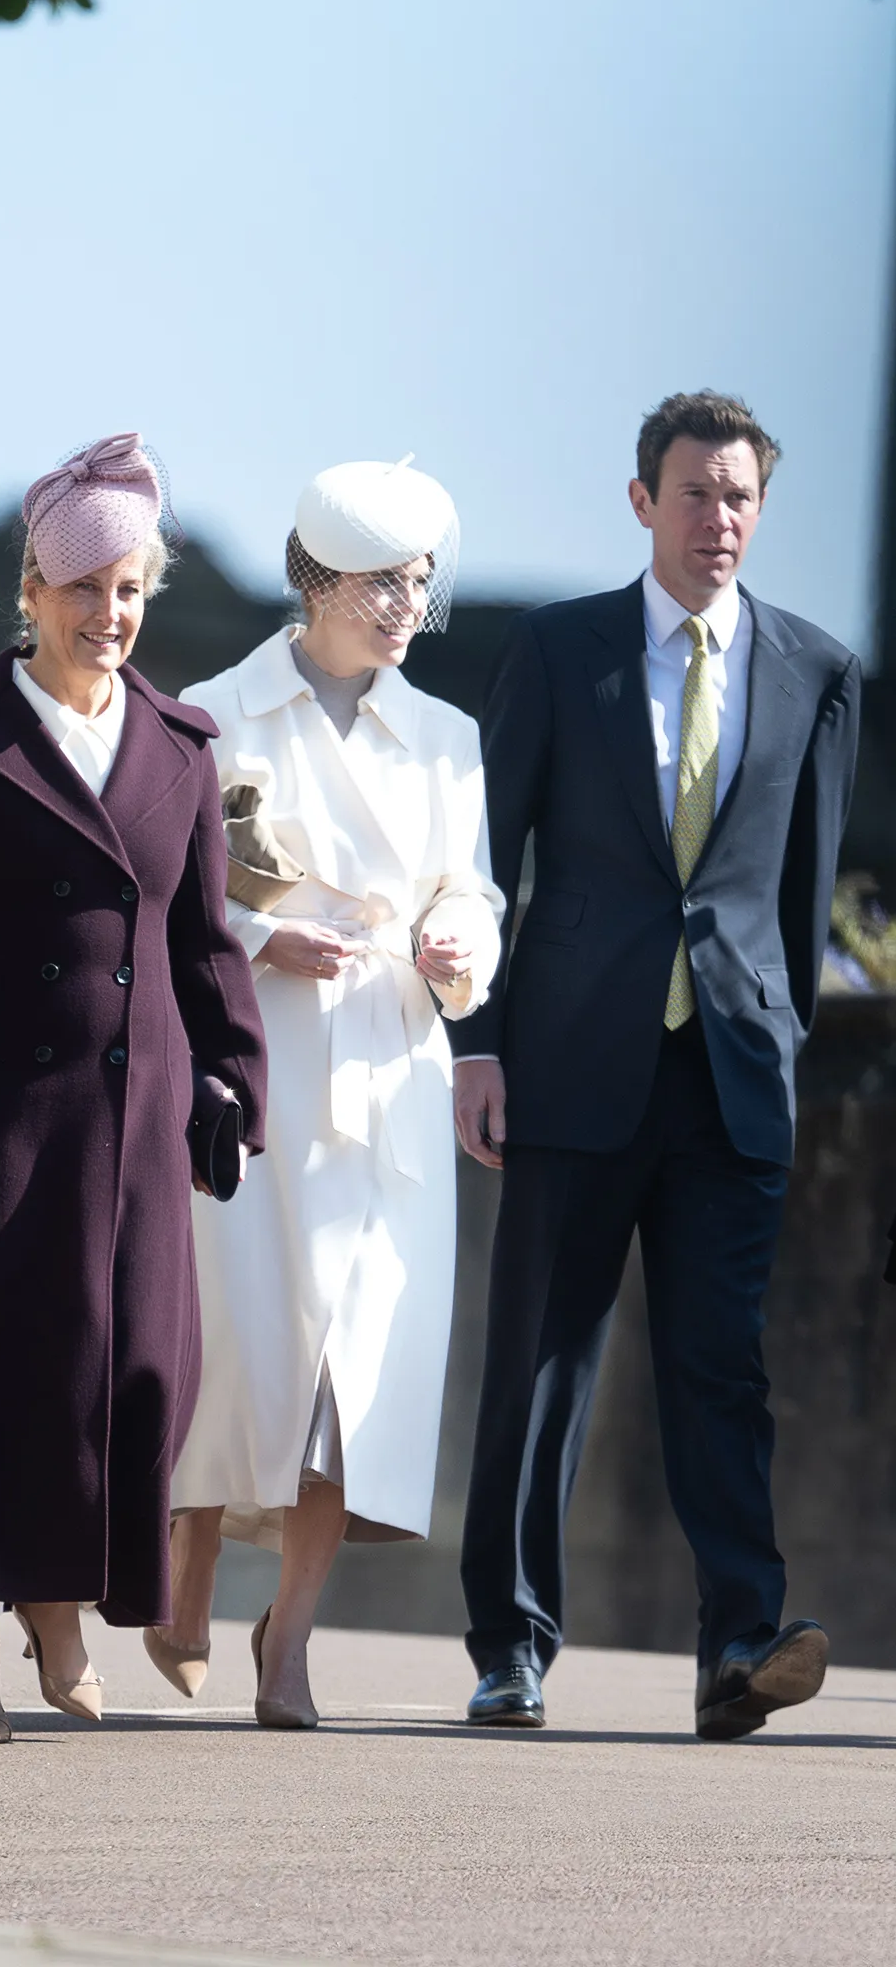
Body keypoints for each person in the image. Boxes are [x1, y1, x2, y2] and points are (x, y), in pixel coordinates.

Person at [0, 434, 267, 1744]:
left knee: (121, 1374)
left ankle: (60, 1599)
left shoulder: (181, 750)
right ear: (31, 590)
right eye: (84, 590)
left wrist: (232, 1074)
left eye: (128, 591)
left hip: (129, 1122)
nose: (108, 616)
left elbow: (199, 940)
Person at [451, 392, 861, 1739]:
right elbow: (481, 862)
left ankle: (736, 1643)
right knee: (540, 1363)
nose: (716, 519)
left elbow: (797, 901)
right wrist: (477, 1044)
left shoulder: (811, 669)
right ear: (641, 502)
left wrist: (779, 1051)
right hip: (567, 1064)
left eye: (737, 496)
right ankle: (509, 1644)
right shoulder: (558, 649)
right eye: (692, 493)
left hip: (728, 1078)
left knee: (717, 1367)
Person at [161, 461, 505, 1728]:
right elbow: (177, 896)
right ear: (315, 579)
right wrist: (264, 945)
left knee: (348, 1383)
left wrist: (465, 941)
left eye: (420, 578)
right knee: (236, 1341)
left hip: (389, 1082)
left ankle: (291, 1635)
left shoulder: (449, 737)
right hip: (254, 1079)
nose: (406, 602)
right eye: (380, 578)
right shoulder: (214, 711)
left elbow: (469, 889)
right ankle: (187, 1561)